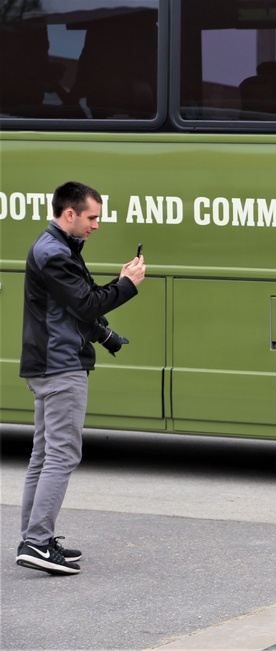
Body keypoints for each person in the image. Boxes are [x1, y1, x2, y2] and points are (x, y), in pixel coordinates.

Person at [17, 181, 145, 576]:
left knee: (44, 456)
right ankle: (37, 542)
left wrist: (107, 330)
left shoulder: (57, 248)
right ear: (69, 213)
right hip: (60, 367)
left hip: (49, 365)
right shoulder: (54, 252)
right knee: (61, 455)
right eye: (92, 217)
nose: (96, 225)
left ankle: (33, 538)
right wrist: (127, 285)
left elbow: (80, 306)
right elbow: (88, 303)